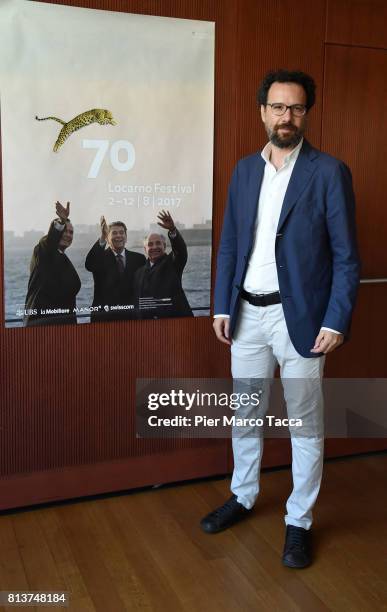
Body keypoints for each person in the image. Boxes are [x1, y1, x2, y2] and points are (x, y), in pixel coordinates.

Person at [200, 70, 360, 568]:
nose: (285, 116)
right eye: (276, 107)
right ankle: (243, 495)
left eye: (294, 108)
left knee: (305, 425)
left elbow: (346, 256)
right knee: (245, 415)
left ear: (306, 114)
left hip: (305, 323)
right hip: (246, 314)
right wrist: (223, 305)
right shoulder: (245, 171)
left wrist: (336, 319)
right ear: (262, 112)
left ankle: (299, 521)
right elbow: (230, 244)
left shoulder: (329, 172)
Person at [24, 201, 81, 326]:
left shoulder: (63, 258)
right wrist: (62, 220)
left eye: (71, 232)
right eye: (64, 230)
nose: (68, 235)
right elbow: (50, 242)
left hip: (64, 325)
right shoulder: (43, 249)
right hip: (43, 325)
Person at [134, 210, 193, 319]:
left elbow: (180, 250)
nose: (154, 247)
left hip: (174, 324)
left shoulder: (173, 262)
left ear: (165, 246)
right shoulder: (139, 273)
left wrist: (172, 230)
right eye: (150, 244)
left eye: (158, 243)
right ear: (145, 249)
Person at [85, 217, 146, 322]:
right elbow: (89, 264)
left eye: (122, 233)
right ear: (108, 238)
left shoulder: (139, 259)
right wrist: (102, 237)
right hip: (103, 319)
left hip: (131, 318)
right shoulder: (99, 258)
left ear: (126, 237)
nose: (118, 235)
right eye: (114, 233)